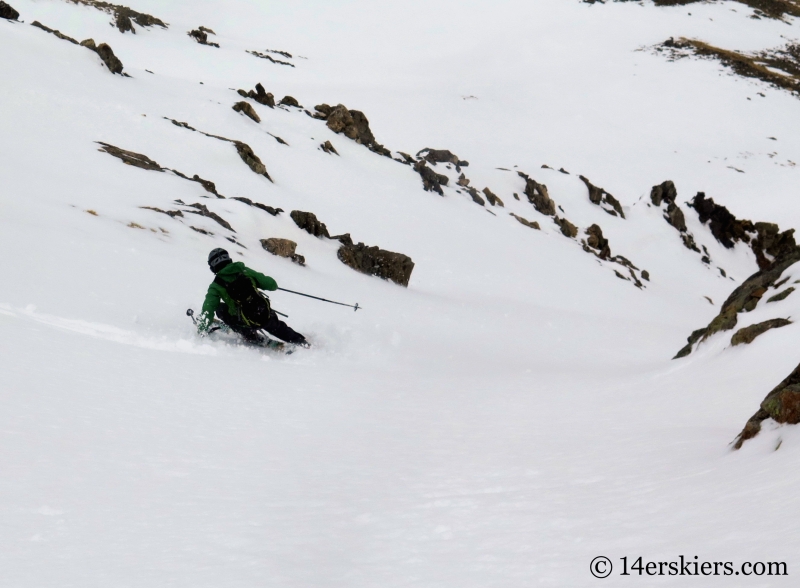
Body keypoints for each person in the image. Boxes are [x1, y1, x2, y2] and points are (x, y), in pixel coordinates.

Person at [198, 248, 310, 348]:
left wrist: (201, 329)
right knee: (277, 326)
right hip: (263, 313)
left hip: (243, 321)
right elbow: (272, 285)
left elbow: (208, 308)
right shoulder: (245, 271)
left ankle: (249, 335)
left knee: (220, 308)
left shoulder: (216, 285)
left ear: (212, 267)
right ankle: (300, 341)